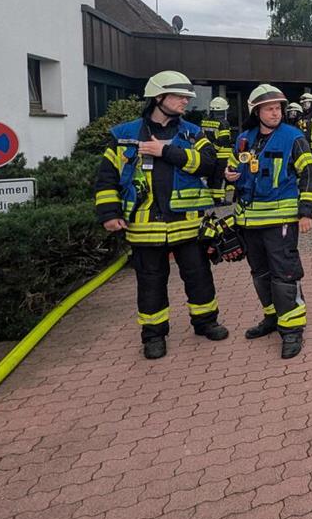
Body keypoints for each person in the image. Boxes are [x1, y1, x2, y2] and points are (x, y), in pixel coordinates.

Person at [94, 70, 228, 360]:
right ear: (158, 97)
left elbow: (210, 164)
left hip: (188, 223)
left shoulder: (192, 133)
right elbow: (106, 179)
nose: (185, 101)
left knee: (199, 276)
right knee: (151, 282)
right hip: (145, 226)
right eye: (179, 96)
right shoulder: (124, 136)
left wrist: (167, 152)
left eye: (186, 97)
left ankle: (206, 322)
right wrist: (109, 212)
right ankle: (154, 335)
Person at [225, 84, 312, 359]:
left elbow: (309, 174)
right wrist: (230, 174)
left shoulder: (293, 137)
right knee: (260, 273)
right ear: (256, 111)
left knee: (285, 274)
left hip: (282, 220)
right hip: (249, 221)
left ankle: (291, 330)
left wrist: (306, 212)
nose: (275, 113)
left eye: (278, 108)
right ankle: (272, 318)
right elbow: (233, 167)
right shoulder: (244, 139)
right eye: (269, 108)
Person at [201, 96, 233, 205]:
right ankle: (218, 200)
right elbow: (223, 139)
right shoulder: (223, 123)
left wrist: (208, 151)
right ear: (224, 110)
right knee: (219, 178)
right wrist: (215, 150)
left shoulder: (205, 121)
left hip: (208, 154)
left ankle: (210, 198)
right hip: (221, 155)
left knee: (211, 176)